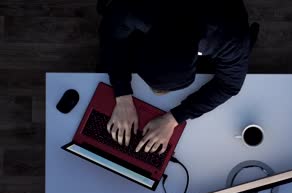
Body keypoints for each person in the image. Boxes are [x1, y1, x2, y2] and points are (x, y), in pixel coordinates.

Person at [98, 0, 250, 155]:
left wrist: (175, 118)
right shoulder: (132, 9)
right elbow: (112, 37)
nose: (156, 93)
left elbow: (229, 85)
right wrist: (122, 93)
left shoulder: (231, 38)